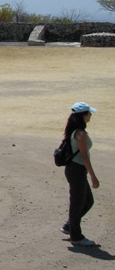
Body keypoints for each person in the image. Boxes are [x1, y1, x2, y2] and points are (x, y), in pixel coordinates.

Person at [60, 102, 100, 247]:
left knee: (87, 201)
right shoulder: (80, 134)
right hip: (76, 170)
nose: (90, 116)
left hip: (75, 170)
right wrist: (93, 176)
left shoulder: (75, 130)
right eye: (89, 113)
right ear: (83, 115)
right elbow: (84, 156)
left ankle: (69, 226)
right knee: (77, 203)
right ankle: (76, 236)